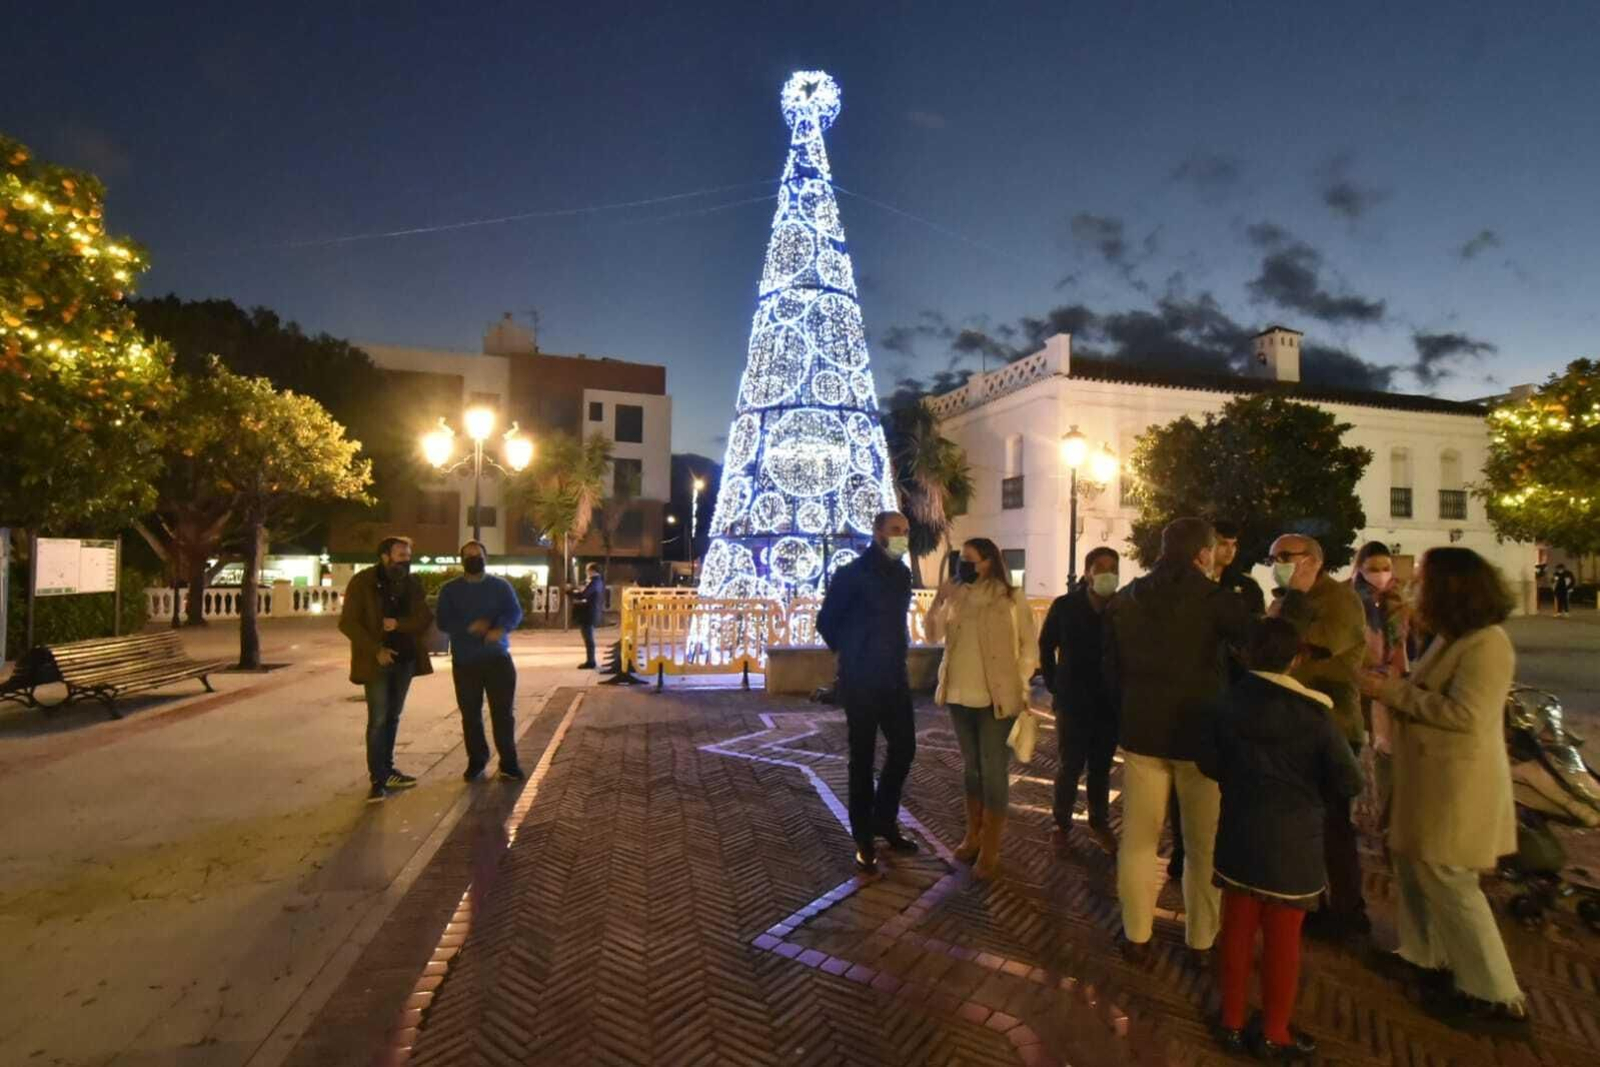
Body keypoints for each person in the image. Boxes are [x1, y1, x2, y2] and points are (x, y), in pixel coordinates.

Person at [1359, 547, 1527, 1032]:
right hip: (1428, 778)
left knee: (1452, 880)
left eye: (1424, 581)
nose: (1414, 588)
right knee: (1413, 865)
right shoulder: (1453, 637)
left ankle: (1495, 992)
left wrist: (1392, 692)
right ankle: (1422, 954)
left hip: (1456, 785)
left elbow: (1466, 714)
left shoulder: (1487, 644)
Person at [1200, 618, 1364, 1062]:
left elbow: (1209, 762)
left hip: (1238, 831)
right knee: (1283, 939)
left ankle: (1231, 1022)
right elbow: (1349, 780)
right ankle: (1274, 1031)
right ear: (1294, 659)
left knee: (1235, 929)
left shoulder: (1226, 703)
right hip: (1294, 842)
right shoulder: (1315, 715)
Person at [1104, 517, 1250, 959]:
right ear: (1203, 554)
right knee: (1204, 846)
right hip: (1201, 737)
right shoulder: (1217, 601)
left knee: (1139, 840)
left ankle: (1136, 936)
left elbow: (1110, 670)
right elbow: (1252, 649)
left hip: (1142, 733)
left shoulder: (1128, 598)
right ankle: (1202, 940)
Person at [1268, 532, 1370, 941]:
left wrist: (1291, 605)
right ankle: (1318, 902)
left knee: (1334, 827)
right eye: (1273, 557)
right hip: (1293, 725)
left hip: (1333, 726)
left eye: (1285, 556)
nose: (1277, 563)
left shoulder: (1340, 601)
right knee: (1308, 825)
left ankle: (1349, 912)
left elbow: (1294, 648)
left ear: (1312, 560)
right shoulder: (1287, 597)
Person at [926, 537, 1040, 879]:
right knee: (972, 769)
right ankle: (972, 835)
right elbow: (933, 635)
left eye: (970, 560)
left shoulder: (1010, 597)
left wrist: (1018, 684)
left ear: (989, 561)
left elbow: (1028, 647)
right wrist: (939, 600)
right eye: (961, 559)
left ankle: (990, 847)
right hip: (959, 694)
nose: (963, 565)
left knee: (992, 770)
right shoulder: (957, 595)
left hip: (996, 697)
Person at [817, 511, 918, 874]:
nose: (902, 536)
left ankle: (884, 820)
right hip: (860, 680)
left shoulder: (903, 575)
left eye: (906, 531)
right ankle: (863, 838)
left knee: (904, 748)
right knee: (862, 759)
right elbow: (826, 622)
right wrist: (853, 650)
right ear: (877, 533)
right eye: (895, 530)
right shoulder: (852, 575)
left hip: (894, 676)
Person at [338, 536, 434, 803]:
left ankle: (388, 770)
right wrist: (375, 650)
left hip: (405, 659)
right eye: (400, 554)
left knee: (393, 716)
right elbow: (348, 623)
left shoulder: (412, 582)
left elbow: (424, 618)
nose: (405, 558)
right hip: (376, 662)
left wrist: (399, 624)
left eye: (408, 554)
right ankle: (377, 779)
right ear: (384, 556)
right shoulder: (363, 582)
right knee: (378, 720)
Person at [1038, 546, 1120, 854]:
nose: (1107, 574)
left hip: (1108, 703)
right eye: (1100, 567)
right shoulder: (1065, 606)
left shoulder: (1121, 608)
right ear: (1087, 572)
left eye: (1113, 568)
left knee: (1101, 767)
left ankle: (1099, 824)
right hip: (1073, 700)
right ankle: (1061, 823)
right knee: (1069, 765)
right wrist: (1054, 684)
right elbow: (1046, 646)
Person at [435, 541, 526, 782]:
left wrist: (501, 628)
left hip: (498, 659)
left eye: (478, 555)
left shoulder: (500, 586)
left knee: (503, 713)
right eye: (469, 555)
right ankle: (477, 760)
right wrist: (468, 628)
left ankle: (509, 762)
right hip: (466, 662)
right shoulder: (449, 590)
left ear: (486, 557)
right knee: (471, 714)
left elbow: (515, 612)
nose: (474, 558)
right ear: (461, 559)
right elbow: (443, 621)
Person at [1352, 541, 1408, 831]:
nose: (1380, 575)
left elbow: (1404, 646)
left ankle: (1387, 818)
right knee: (1363, 751)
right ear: (1359, 569)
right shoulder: (1351, 600)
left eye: (1385, 568)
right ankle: (1364, 815)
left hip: (1392, 684)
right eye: (1373, 569)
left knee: (1389, 752)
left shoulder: (1397, 602)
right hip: (1359, 685)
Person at [1212, 520, 1266, 616]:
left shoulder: (1247, 585)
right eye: (1223, 544)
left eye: (1234, 545)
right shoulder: (1192, 580)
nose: (1230, 550)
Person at [570, 563, 606, 669]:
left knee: (588, 638)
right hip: (591, 612)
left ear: (593, 571)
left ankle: (591, 661)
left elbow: (584, 595)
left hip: (589, 614)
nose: (586, 572)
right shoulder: (598, 582)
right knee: (588, 638)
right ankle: (590, 660)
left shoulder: (595, 582)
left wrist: (570, 592)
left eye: (587, 570)